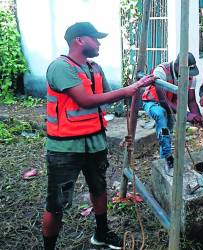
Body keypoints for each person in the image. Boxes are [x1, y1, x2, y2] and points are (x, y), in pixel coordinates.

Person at [42, 22, 155, 250]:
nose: (99, 43)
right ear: (80, 40)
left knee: (99, 189)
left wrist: (133, 92)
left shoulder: (95, 69)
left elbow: (103, 98)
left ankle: (101, 234)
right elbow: (84, 100)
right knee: (56, 204)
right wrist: (128, 90)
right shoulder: (60, 67)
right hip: (65, 148)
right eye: (95, 38)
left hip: (95, 142)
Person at [142, 52, 203, 176]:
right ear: (178, 67)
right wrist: (186, 114)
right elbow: (163, 101)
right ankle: (169, 159)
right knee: (161, 115)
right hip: (153, 103)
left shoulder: (191, 77)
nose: (189, 77)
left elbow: (191, 101)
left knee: (166, 133)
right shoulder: (161, 72)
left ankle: (163, 159)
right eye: (187, 73)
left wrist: (197, 117)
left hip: (172, 107)